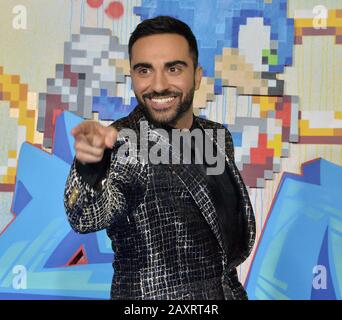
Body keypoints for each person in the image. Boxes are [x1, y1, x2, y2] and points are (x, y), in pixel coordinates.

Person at [64, 15, 256, 300]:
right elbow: (85, 217)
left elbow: (223, 248)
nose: (158, 85)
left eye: (173, 68)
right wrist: (91, 166)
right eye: (144, 70)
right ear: (132, 77)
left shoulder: (217, 135)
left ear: (197, 75)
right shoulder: (123, 142)